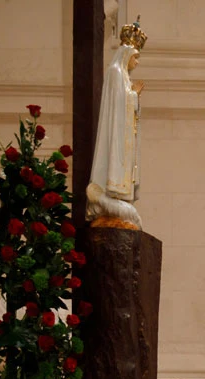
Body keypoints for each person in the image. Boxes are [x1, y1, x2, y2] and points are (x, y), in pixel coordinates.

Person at [86, 17, 147, 230]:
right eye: (136, 57)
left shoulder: (123, 77)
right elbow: (117, 105)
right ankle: (109, 196)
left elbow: (126, 103)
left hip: (124, 134)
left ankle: (119, 202)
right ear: (127, 55)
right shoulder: (115, 73)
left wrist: (133, 97)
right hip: (116, 134)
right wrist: (133, 95)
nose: (137, 62)